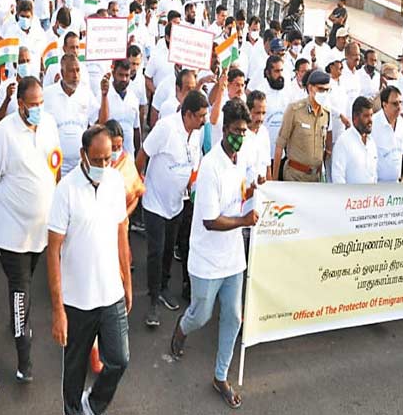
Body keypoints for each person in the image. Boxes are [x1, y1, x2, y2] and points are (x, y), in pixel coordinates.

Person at [169, 98, 258, 410]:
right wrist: (244, 221)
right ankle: (181, 330)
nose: (240, 136)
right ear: (224, 131)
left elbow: (241, 191)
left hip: (233, 256)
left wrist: (251, 193)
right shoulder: (210, 166)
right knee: (201, 315)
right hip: (207, 258)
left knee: (234, 316)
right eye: (235, 130)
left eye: (244, 131)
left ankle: (220, 375)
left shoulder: (242, 154)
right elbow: (210, 220)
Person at [0, 76, 62, 382]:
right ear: (20, 104)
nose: (38, 108)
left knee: (25, 287)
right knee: (20, 290)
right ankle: (24, 357)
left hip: (41, 233)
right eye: (32, 104)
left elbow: (55, 167)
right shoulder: (3, 134)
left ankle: (19, 322)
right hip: (12, 236)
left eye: (41, 103)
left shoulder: (49, 125)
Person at [47, 124, 132, 415]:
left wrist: (128, 283)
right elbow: (53, 249)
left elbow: (122, 233)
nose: (104, 165)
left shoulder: (116, 182)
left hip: (111, 295)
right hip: (77, 301)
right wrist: (58, 310)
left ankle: (93, 405)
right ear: (83, 155)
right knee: (74, 370)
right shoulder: (65, 190)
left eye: (108, 158)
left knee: (120, 359)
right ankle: (72, 410)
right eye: (97, 160)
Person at [136, 90, 208, 328]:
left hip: (178, 203)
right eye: (200, 116)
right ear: (187, 114)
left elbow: (193, 163)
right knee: (155, 252)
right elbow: (143, 153)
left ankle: (164, 286)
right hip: (155, 202)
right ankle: (153, 302)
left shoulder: (196, 133)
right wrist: (139, 181)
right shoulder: (166, 128)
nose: (204, 120)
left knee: (169, 249)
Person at [43, 54, 105, 176]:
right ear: (62, 72)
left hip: (80, 165)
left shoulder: (86, 94)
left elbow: (100, 123)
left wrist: (104, 96)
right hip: (54, 164)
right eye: (71, 71)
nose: (75, 75)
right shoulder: (47, 94)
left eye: (78, 70)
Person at [273, 69, 331, 182]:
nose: (323, 94)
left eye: (327, 90)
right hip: (295, 176)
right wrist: (274, 180)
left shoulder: (325, 114)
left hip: (315, 178)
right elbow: (280, 145)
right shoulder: (294, 110)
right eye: (320, 89)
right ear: (310, 88)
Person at [331, 96, 377, 184]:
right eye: (366, 116)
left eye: (371, 115)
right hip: (350, 197)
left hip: (370, 196)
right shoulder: (343, 142)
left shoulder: (371, 143)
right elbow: (338, 178)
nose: (370, 120)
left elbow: (373, 176)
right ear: (355, 118)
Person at [372, 85, 403, 183]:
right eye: (395, 104)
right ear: (384, 105)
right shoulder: (373, 124)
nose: (399, 107)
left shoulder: (401, 123)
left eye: (400, 103)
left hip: (395, 183)